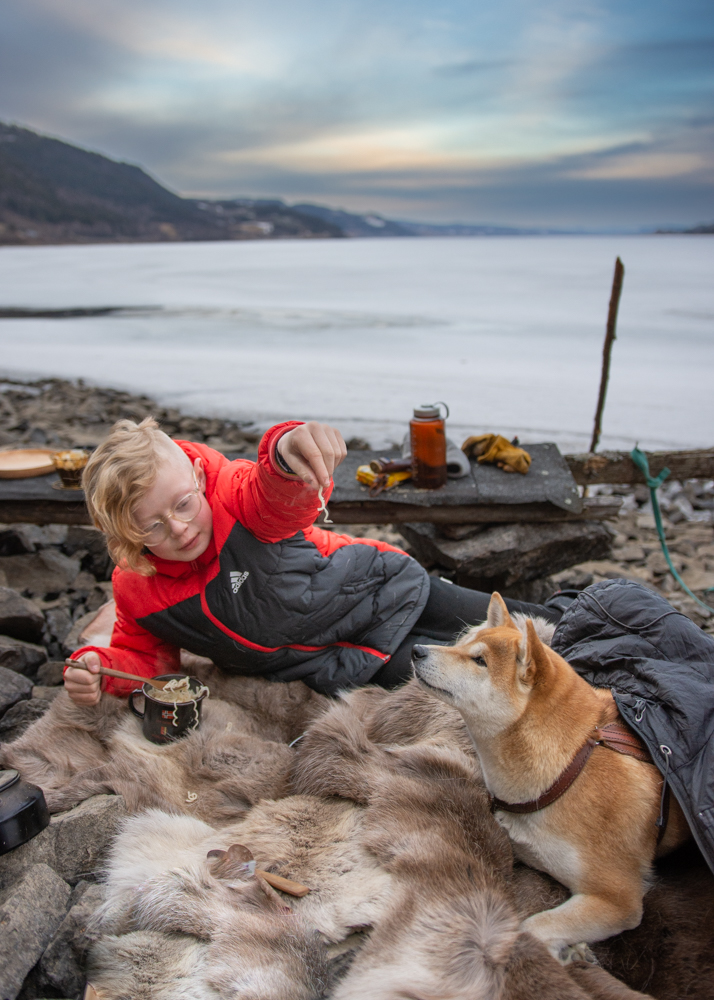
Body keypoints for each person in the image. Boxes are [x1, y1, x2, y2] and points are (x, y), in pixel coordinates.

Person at [64, 417, 562, 706]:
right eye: (151, 527)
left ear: (197, 475)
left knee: (535, 631)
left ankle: (604, 625)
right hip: (344, 665)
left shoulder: (234, 496)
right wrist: (101, 668)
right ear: (125, 535)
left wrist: (286, 452)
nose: (177, 528)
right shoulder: (137, 590)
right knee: (468, 689)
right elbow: (148, 663)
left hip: (385, 589)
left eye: (182, 504)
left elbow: (275, 497)